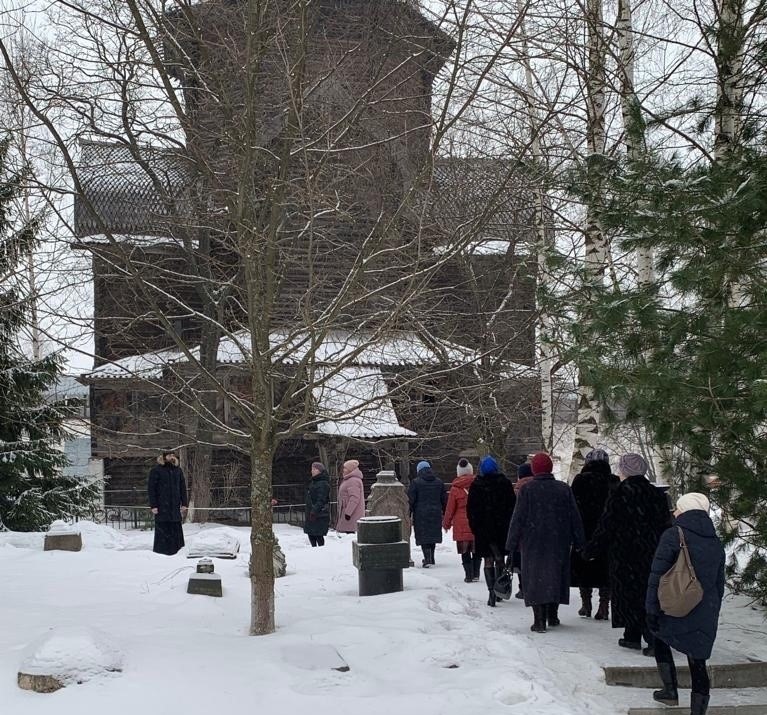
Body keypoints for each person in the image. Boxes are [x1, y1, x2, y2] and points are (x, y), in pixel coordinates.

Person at [583, 452, 671, 654]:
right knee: (649, 593)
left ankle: (647, 638)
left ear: (625, 470)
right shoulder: (657, 495)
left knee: (629, 594)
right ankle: (635, 635)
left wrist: (591, 549)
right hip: (651, 553)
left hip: (624, 555)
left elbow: (607, 526)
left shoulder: (619, 494)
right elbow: (666, 526)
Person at [646, 493, 724, 715]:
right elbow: (719, 582)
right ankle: (697, 711)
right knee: (697, 662)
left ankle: (670, 690)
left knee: (660, 638)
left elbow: (657, 575)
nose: (674, 512)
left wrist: (651, 608)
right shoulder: (715, 541)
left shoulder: (673, 535)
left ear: (685, 511)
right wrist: (713, 610)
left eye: (678, 508)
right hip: (704, 608)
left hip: (675, 603)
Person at [506, 451, 585, 632]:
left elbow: (518, 518)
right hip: (558, 540)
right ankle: (553, 614)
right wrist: (580, 540)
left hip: (533, 541)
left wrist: (511, 543)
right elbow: (574, 517)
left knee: (535, 578)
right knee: (555, 575)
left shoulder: (527, 490)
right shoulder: (563, 489)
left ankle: (539, 619)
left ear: (534, 470)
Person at [571, 448, 620, 619]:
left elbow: (573, 506)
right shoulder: (614, 481)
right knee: (605, 568)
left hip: (583, 528)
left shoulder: (580, 480)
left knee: (584, 565)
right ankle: (604, 605)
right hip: (607, 530)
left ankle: (586, 604)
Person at [467, 455, 516, 607]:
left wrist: (475, 527)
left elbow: (471, 510)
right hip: (501, 528)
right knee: (499, 558)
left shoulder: (476, 485)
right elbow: (512, 507)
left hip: (483, 529)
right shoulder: (505, 484)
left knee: (488, 560)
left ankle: (491, 593)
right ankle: (498, 590)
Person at [443, 458, 480, 582]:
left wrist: (446, 523)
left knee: (465, 552)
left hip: (461, 525)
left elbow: (450, 509)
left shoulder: (455, 489)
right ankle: (476, 574)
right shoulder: (478, 485)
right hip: (476, 523)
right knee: (476, 551)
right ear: (470, 471)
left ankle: (468, 575)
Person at [148, 451, 188, 555]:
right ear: (164, 457)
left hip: (174, 506)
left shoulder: (178, 470)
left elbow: (182, 487)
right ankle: (162, 552)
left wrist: (184, 503)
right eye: (169, 455)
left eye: (173, 455)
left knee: (175, 529)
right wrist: (153, 505)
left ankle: (177, 551)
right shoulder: (156, 470)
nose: (172, 457)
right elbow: (151, 489)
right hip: (162, 507)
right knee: (163, 529)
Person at [409, 460, 447, 567]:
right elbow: (444, 499)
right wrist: (445, 512)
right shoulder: (439, 482)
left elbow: (411, 499)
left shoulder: (415, 482)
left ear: (419, 471)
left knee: (424, 536)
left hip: (421, 514)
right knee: (432, 535)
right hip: (435, 513)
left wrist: (409, 512)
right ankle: (431, 558)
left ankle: (427, 558)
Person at [511, 462, 533, 598]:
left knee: (520, 560)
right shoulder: (538, 487)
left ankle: (523, 588)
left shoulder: (516, 490)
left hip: (521, 532)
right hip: (535, 530)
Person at [304, 461, 331, 547]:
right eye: (312, 469)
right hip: (311, 513)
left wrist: (314, 510)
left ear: (319, 471)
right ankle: (314, 551)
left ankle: (320, 553)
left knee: (318, 535)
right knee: (311, 534)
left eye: (314, 469)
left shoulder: (323, 484)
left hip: (319, 514)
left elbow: (321, 499)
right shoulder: (313, 482)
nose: (312, 471)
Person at [336, 459, 365, 533]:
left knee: (349, 537)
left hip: (351, 516)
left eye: (345, 468)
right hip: (347, 514)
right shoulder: (349, 479)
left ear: (350, 469)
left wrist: (348, 512)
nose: (343, 470)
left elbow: (354, 498)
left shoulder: (353, 481)